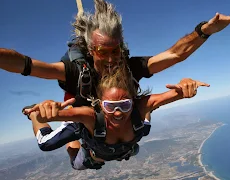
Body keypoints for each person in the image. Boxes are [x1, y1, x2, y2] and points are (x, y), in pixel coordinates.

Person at [0, 0, 230, 152]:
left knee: (138, 133)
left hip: (121, 121)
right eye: (101, 51)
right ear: (90, 49)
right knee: (62, 149)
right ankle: (34, 114)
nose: (110, 59)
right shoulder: (74, 71)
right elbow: (26, 65)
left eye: (115, 51)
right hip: (84, 117)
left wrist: (204, 31)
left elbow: (175, 54)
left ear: (122, 47)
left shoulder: (131, 66)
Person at [23, 65, 210, 170]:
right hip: (91, 138)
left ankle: (134, 120)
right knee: (55, 149)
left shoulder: (140, 106)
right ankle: (69, 138)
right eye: (111, 107)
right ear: (100, 104)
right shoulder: (90, 116)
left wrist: (186, 86)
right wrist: (41, 111)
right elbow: (56, 113)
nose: (118, 112)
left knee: (142, 125)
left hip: (120, 145)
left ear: (132, 101)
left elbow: (174, 93)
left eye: (125, 105)